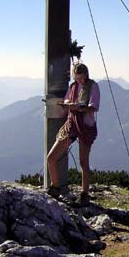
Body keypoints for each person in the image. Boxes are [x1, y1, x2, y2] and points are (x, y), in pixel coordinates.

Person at [46, 62, 100, 205]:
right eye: (77, 78)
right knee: (51, 158)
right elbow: (67, 99)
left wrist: (79, 107)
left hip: (86, 126)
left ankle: (84, 194)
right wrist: (69, 103)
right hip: (72, 124)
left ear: (86, 75)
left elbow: (94, 107)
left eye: (81, 78)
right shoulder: (73, 86)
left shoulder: (93, 86)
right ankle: (55, 186)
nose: (79, 81)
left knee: (83, 162)